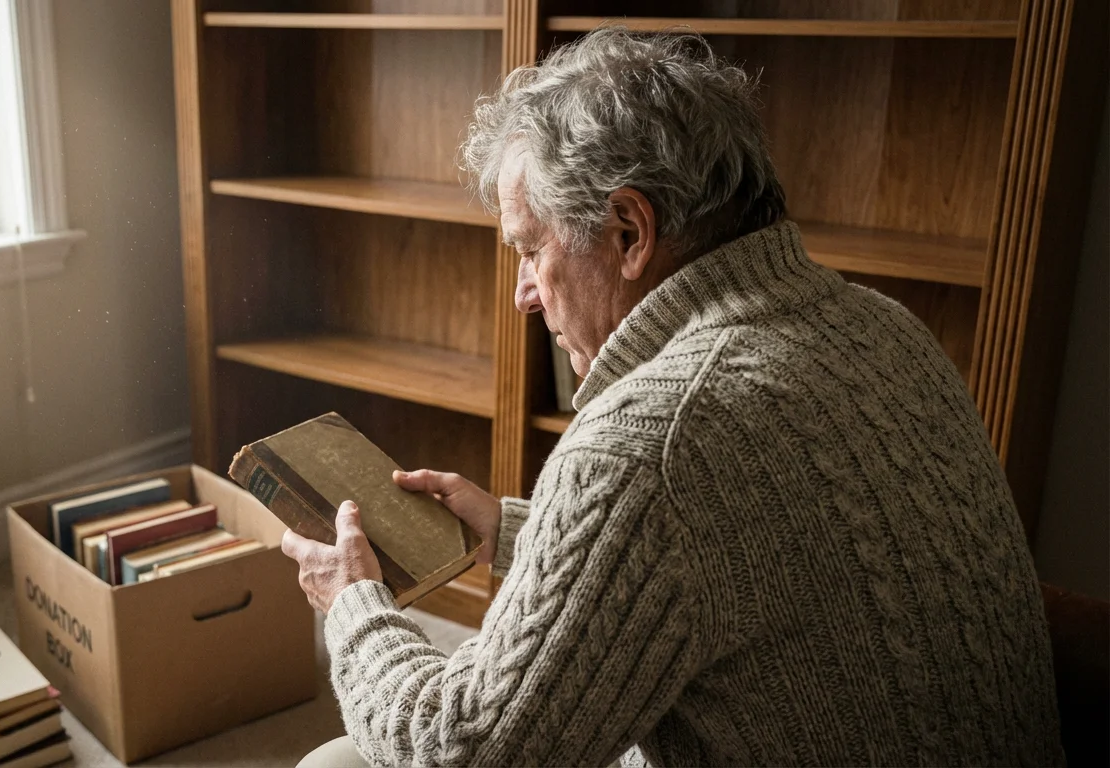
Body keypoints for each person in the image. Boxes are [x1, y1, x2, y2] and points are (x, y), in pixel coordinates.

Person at [282, 28, 1063, 768]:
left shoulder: (651, 441)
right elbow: (755, 560)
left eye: (529, 249)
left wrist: (358, 609)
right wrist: (520, 531)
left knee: (337, 760)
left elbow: (470, 752)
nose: (524, 294)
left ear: (629, 231)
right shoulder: (882, 325)